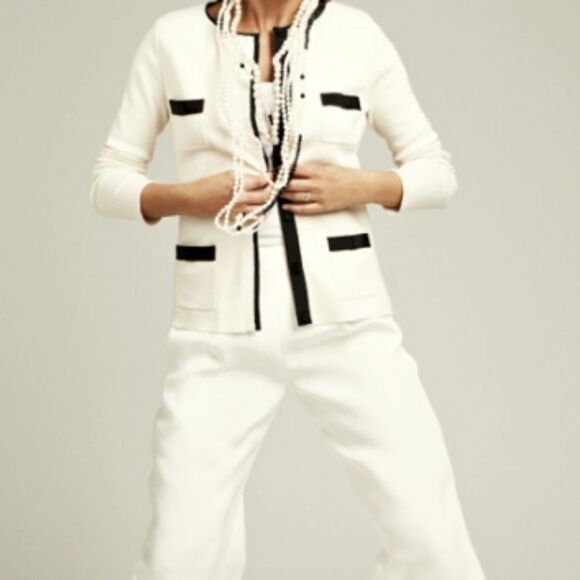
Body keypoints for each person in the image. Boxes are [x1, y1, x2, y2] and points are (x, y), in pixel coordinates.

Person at [89, 1, 488, 579]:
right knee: (179, 556)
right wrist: (189, 198)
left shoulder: (355, 33)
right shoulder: (172, 39)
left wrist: (362, 185)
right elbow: (108, 179)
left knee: (430, 533)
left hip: (347, 323)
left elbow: (437, 172)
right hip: (215, 332)